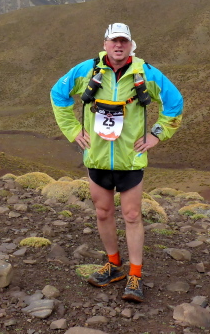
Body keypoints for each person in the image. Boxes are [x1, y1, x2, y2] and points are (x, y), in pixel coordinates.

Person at [50, 22, 184, 302]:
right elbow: (58, 94)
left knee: (132, 216)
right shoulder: (87, 71)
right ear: (105, 43)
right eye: (114, 41)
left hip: (130, 159)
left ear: (131, 45)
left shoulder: (146, 74)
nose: (119, 45)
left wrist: (156, 134)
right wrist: (73, 131)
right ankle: (114, 265)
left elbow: (174, 103)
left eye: (124, 41)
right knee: (103, 212)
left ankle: (135, 274)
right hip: (97, 157)